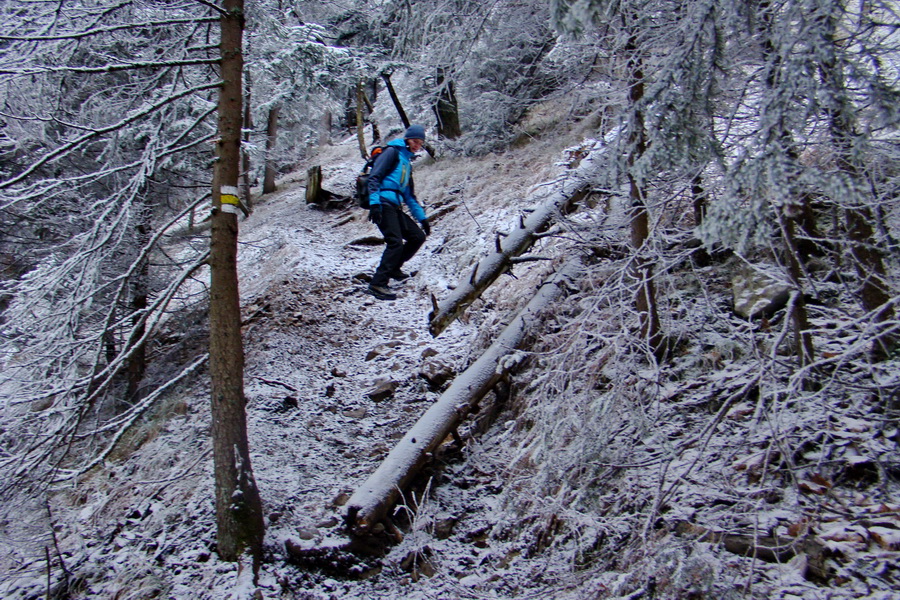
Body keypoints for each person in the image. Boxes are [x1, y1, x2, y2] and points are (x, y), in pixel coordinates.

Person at [365, 124, 431, 300]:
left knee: (417, 236)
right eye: (415, 141)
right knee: (395, 242)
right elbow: (374, 177)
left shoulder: (406, 162)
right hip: (383, 203)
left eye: (420, 143)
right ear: (407, 139)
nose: (417, 145)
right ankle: (377, 284)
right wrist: (375, 204)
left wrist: (423, 219)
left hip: (395, 205)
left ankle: (394, 267)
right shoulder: (392, 152)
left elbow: (409, 195)